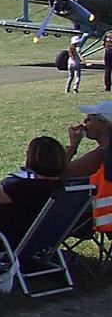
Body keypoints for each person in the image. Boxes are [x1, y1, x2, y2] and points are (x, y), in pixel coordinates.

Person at [66, 99, 111, 237]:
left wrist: (73, 145)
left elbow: (58, 172)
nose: (85, 121)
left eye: (90, 119)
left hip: (83, 216)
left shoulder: (102, 153)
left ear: (104, 126)